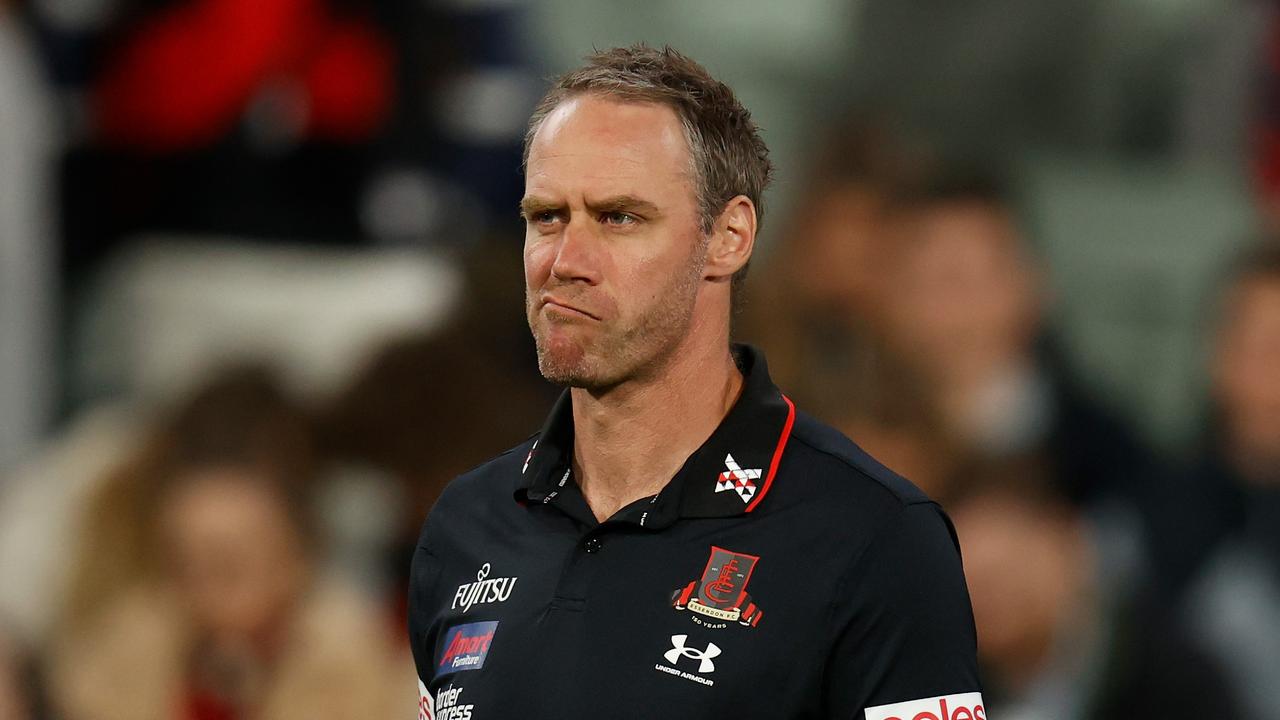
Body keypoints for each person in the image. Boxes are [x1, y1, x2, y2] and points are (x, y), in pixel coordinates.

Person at [407, 44, 982, 719]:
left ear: (729, 236)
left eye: (619, 217)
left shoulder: (876, 540)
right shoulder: (466, 527)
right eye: (547, 217)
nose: (566, 261)